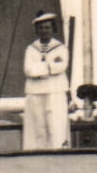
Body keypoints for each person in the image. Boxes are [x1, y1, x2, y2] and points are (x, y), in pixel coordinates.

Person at [22, 10, 70, 150]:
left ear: (52, 29)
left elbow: (60, 67)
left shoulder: (60, 48)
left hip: (55, 90)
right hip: (35, 91)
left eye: (47, 27)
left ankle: (58, 155)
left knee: (56, 126)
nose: (44, 31)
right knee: (37, 127)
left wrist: (40, 69)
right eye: (41, 28)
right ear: (36, 30)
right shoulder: (31, 49)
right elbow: (28, 70)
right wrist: (48, 68)